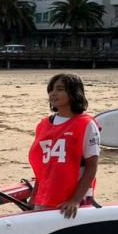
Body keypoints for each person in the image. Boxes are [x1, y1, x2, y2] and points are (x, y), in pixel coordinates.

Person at [28, 73, 100, 219]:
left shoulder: (86, 124)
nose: (53, 93)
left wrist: (75, 200)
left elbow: (91, 167)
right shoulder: (43, 125)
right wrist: (34, 197)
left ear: (74, 93)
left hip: (73, 201)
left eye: (60, 89)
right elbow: (43, 169)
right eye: (51, 90)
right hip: (46, 197)